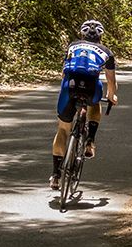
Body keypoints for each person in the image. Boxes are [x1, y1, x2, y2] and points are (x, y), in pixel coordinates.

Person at [49, 19, 118, 190]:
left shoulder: (73, 46)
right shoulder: (106, 52)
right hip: (91, 87)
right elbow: (111, 80)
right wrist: (111, 96)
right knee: (95, 104)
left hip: (69, 87)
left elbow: (64, 73)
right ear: (101, 36)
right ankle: (90, 141)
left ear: (82, 34)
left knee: (63, 129)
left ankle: (56, 176)